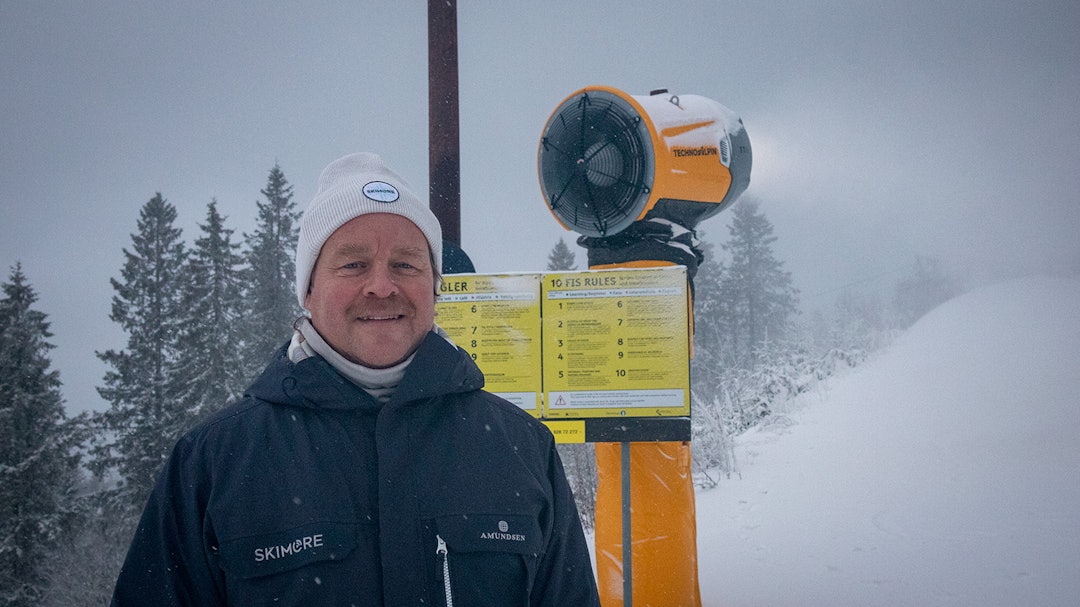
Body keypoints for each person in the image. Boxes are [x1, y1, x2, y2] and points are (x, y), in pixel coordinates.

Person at [110, 152, 601, 606]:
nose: (382, 286)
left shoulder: (521, 448)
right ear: (308, 288)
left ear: (433, 286)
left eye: (405, 264)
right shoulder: (215, 463)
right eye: (353, 264)